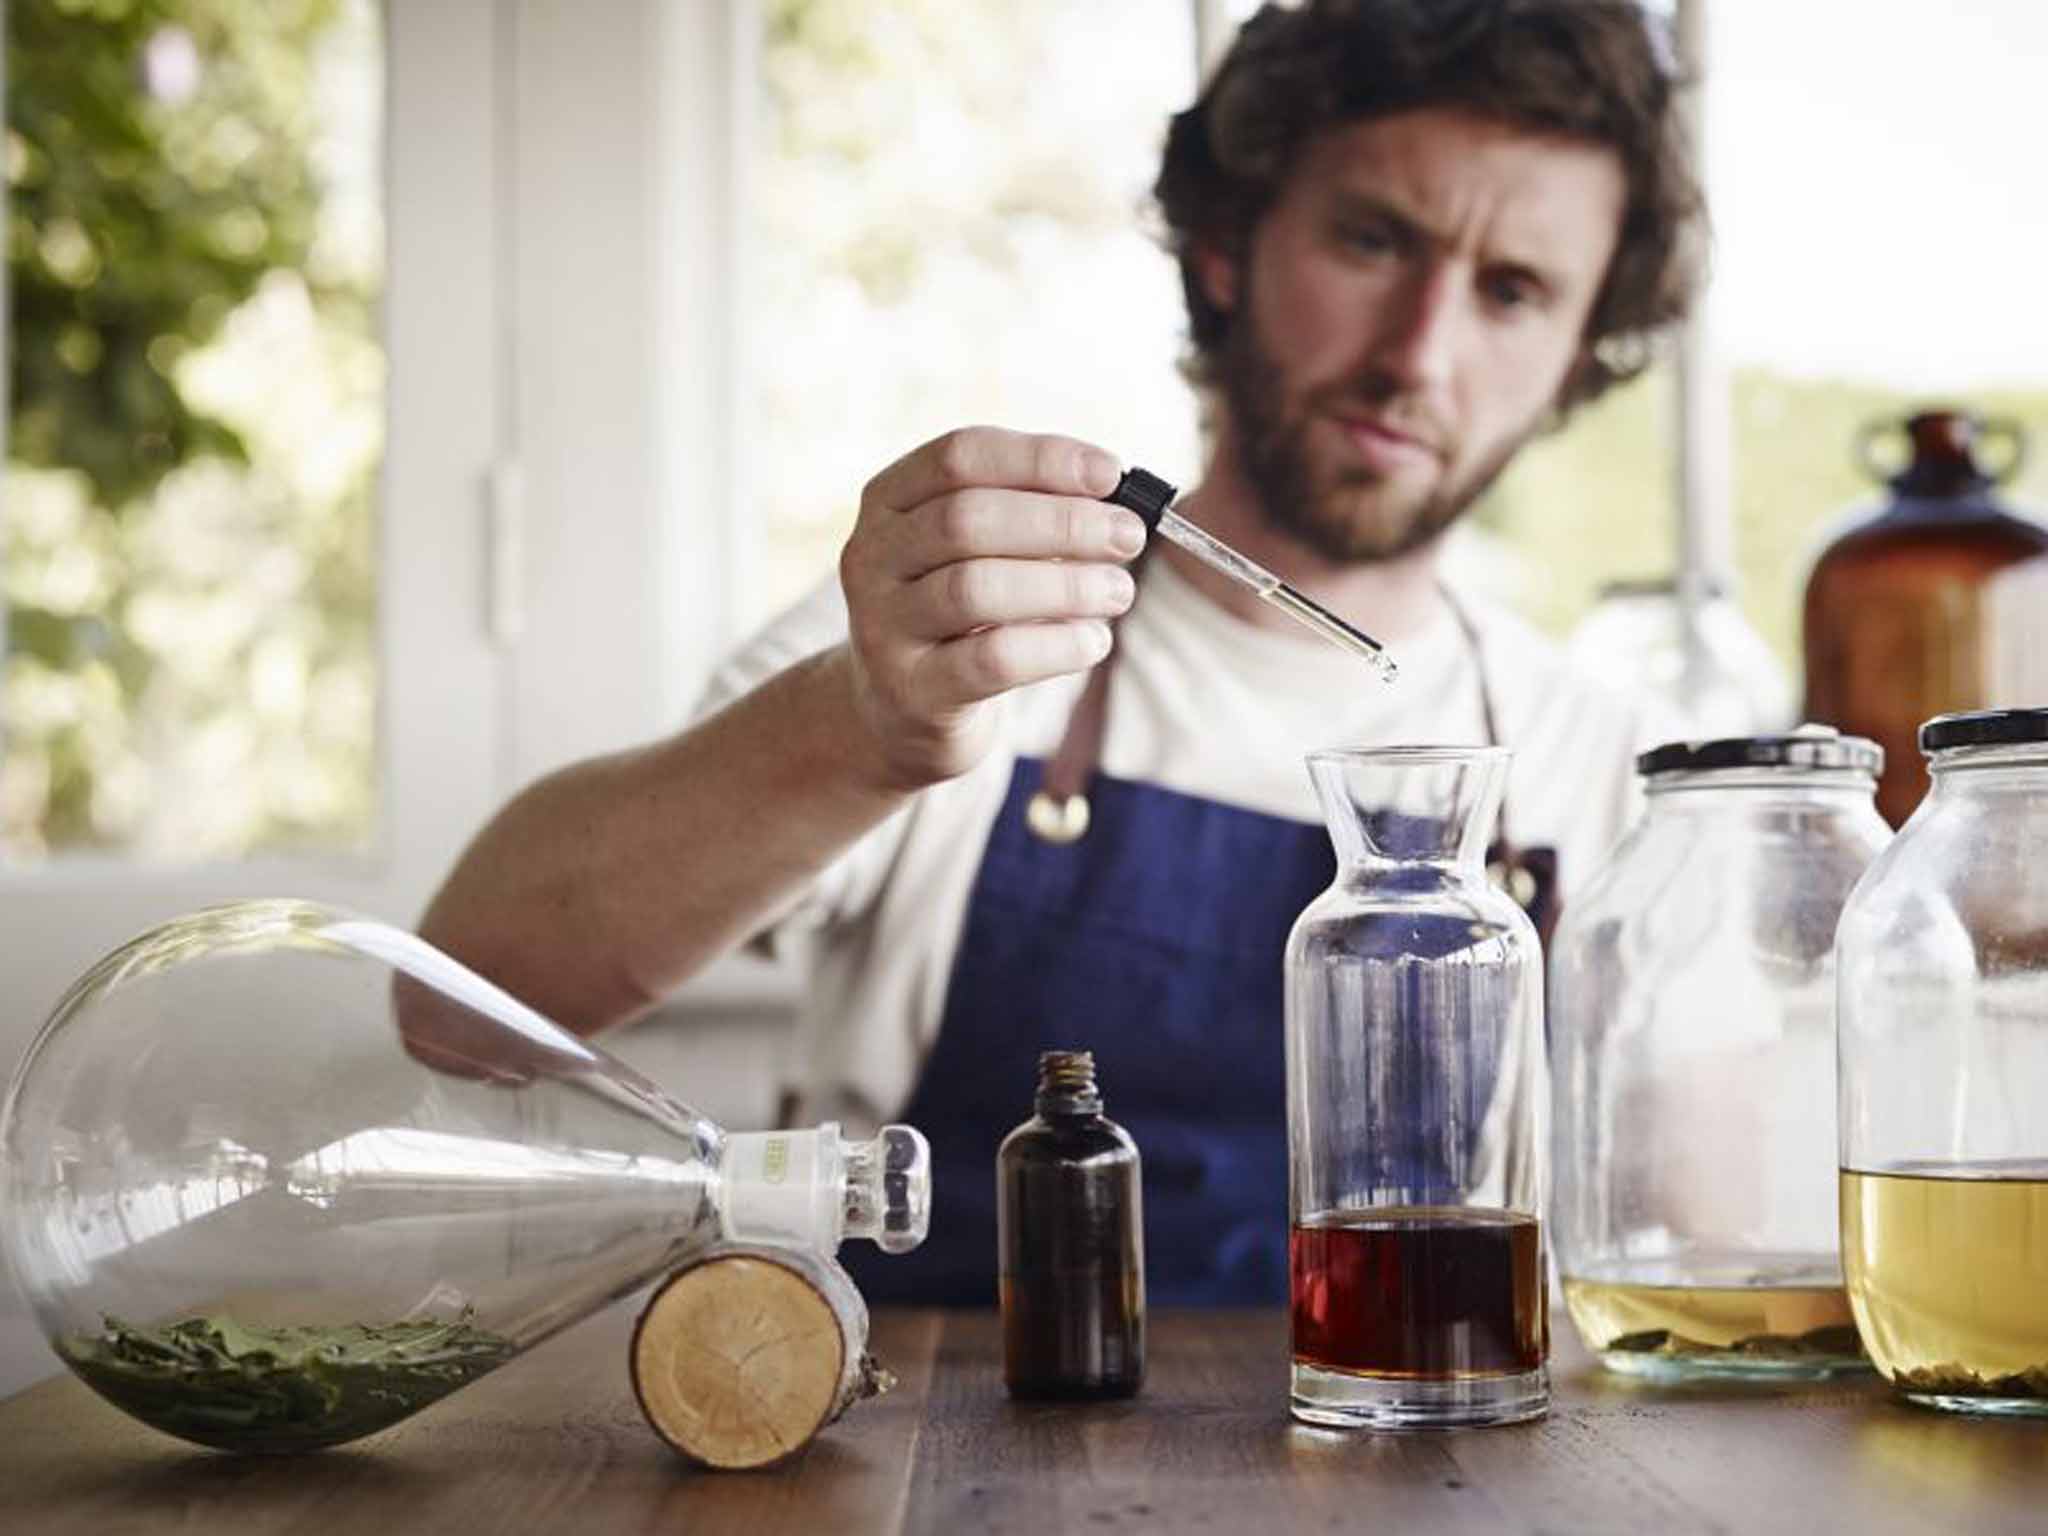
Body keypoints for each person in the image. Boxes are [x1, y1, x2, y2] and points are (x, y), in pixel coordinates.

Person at [419, 0, 1704, 1306]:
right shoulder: (950, 638)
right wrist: (867, 732)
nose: (1420, 355)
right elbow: (460, 1008)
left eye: (1513, 292)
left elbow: (1694, 1273)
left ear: (1574, 360)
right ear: (1226, 244)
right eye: (1375, 240)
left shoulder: (1586, 762)